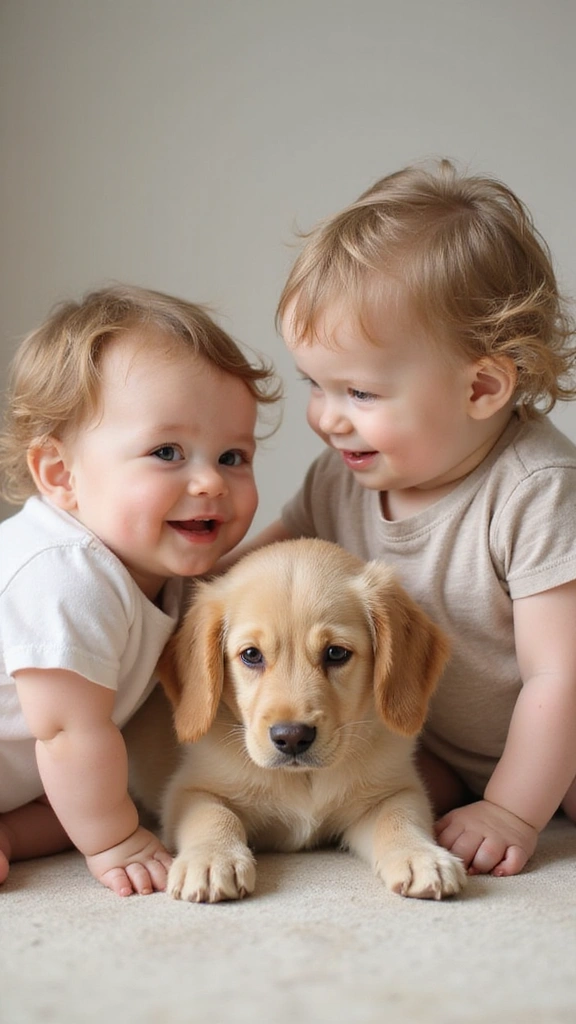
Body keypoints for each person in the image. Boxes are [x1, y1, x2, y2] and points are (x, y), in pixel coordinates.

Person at [223, 159, 576, 877]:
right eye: (315, 385)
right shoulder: (343, 477)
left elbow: (558, 678)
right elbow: (261, 568)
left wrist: (511, 809)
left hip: (560, 735)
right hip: (449, 742)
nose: (326, 419)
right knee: (385, 794)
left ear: (480, 386)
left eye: (357, 391)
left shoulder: (535, 490)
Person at [0, 283, 280, 895]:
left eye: (233, 456)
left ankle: (8, 837)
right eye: (168, 452)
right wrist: (115, 842)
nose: (209, 481)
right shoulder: (64, 573)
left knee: (99, 781)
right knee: (94, 776)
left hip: (24, 781)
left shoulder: (157, 567)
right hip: (52, 753)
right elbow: (65, 733)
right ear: (60, 475)